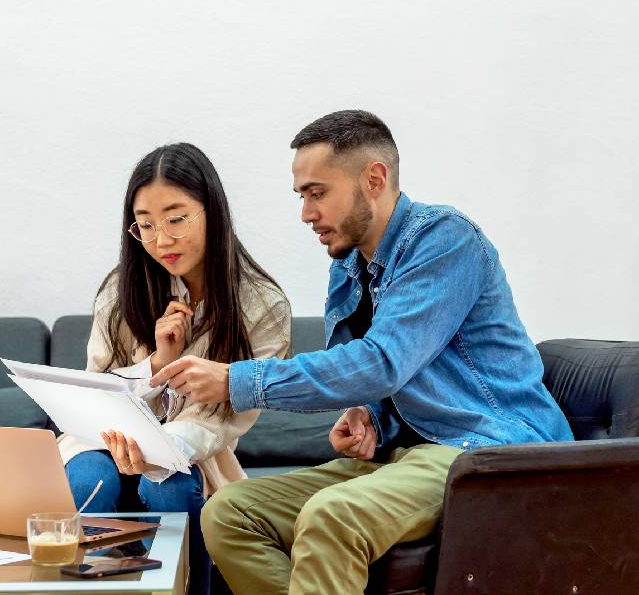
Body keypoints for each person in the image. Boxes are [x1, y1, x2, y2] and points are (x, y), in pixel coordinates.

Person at [149, 111, 575, 594]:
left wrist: (234, 380)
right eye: (302, 196)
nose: (306, 214)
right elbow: (381, 377)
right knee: (229, 512)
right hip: (404, 455)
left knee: (332, 516)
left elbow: (381, 363)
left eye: (318, 193)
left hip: (485, 451)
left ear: (374, 178)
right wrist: (372, 417)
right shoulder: (349, 264)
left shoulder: (444, 241)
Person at [59, 142, 291, 595]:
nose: (160, 240)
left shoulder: (263, 306)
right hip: (103, 439)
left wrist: (158, 447)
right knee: (89, 477)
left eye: (176, 219)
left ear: (212, 211)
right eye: (145, 225)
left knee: (168, 485)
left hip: (190, 450)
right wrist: (156, 364)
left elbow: (224, 418)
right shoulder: (119, 291)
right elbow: (95, 390)